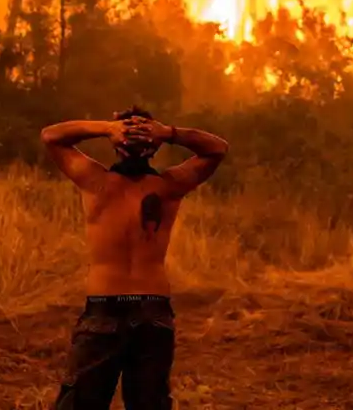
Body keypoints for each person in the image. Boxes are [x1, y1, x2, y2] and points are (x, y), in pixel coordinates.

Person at [41, 106, 229, 410]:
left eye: (142, 132)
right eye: (130, 131)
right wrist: (139, 130)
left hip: (111, 309)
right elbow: (216, 150)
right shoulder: (167, 186)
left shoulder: (97, 181)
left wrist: (149, 131)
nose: (135, 138)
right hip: (148, 312)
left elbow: (52, 137)